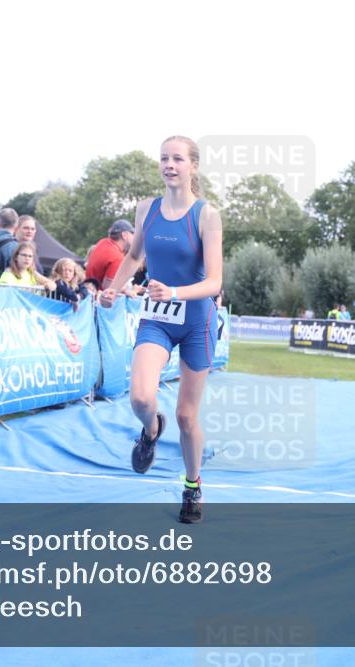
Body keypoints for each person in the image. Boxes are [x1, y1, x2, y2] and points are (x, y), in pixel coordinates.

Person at [99, 135, 223, 524]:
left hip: (197, 321)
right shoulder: (146, 209)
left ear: (193, 166)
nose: (170, 165)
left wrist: (174, 291)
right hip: (157, 318)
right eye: (164, 158)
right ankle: (151, 430)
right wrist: (113, 289)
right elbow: (135, 255)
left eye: (178, 159)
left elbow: (215, 282)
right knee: (140, 398)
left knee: (187, 417)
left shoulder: (206, 215)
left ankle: (192, 485)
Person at [87, 219, 135, 290]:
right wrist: (130, 289)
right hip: (98, 295)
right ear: (124, 235)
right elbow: (108, 288)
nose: (134, 237)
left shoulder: (102, 242)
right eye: (132, 233)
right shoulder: (116, 257)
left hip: (89, 291)